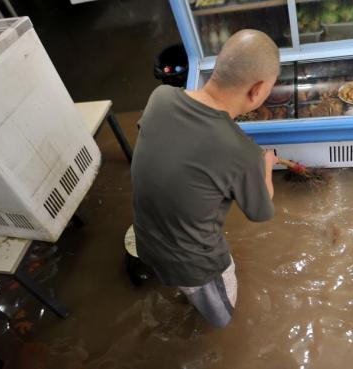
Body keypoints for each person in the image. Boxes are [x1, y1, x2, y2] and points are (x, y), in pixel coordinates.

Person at [131, 29, 279, 328]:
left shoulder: (160, 96)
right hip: (196, 267)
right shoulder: (242, 153)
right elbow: (262, 212)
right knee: (223, 321)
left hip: (145, 241)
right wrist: (267, 165)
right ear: (257, 90)